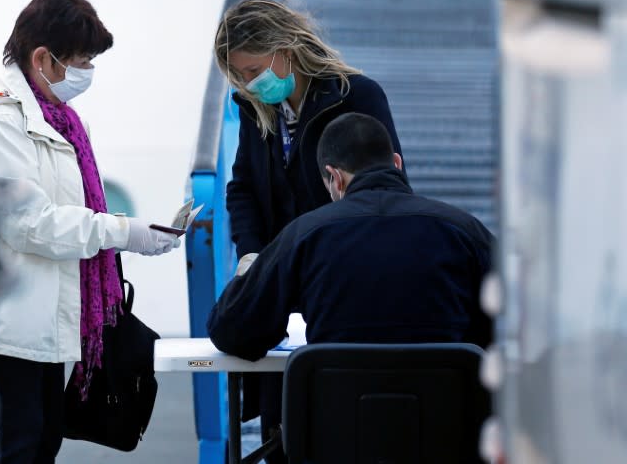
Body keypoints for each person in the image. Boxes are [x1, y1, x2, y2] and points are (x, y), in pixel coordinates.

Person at [0, 0, 180, 463]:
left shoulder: (56, 118)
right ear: (43, 59)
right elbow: (31, 223)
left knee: (43, 442)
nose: (87, 72)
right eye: (81, 62)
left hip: (40, 321)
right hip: (8, 326)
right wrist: (123, 232)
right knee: (19, 447)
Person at [207, 113, 493, 458]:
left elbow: (231, 329)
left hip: (335, 443)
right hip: (449, 441)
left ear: (334, 178)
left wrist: (249, 273)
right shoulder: (465, 231)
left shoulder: (306, 235)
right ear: (397, 163)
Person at [213, 0, 406, 460]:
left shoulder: (355, 95)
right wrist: (252, 256)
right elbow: (242, 188)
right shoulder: (254, 108)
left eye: (254, 69)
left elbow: (387, 188)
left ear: (286, 49)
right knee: (285, 426)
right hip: (282, 275)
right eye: (239, 76)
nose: (249, 83)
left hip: (341, 277)